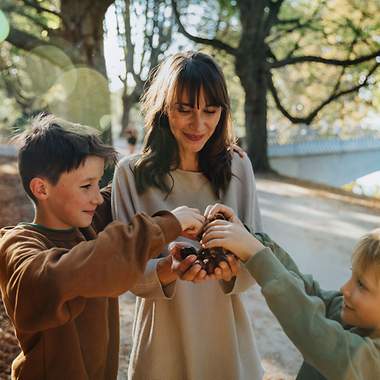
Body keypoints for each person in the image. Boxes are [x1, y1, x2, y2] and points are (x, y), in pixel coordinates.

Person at [0, 114, 205, 380]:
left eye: (97, 183)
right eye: (86, 186)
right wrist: (167, 224)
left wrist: (196, 144)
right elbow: (73, 271)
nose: (97, 197)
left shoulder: (88, 220)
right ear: (41, 188)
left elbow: (128, 182)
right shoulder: (17, 248)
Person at [112, 51, 264, 380]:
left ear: (223, 112)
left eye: (210, 111)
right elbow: (124, 273)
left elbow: (259, 262)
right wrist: (169, 268)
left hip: (227, 343)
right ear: (165, 108)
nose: (199, 125)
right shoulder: (130, 174)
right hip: (161, 350)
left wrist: (230, 269)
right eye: (184, 110)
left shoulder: (238, 167)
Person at [201, 203, 380, 380]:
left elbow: (314, 332)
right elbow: (306, 291)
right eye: (352, 276)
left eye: (361, 285)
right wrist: (252, 240)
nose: (345, 289)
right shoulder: (348, 311)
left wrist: (255, 254)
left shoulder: (373, 364)